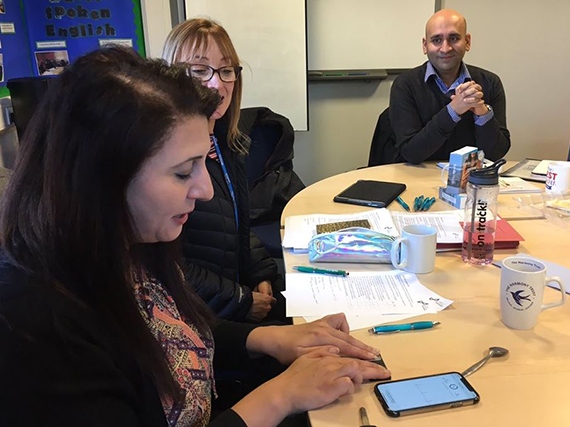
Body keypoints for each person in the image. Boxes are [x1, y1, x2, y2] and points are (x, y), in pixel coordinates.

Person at [0, 45, 390, 427]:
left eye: (204, 162)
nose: (204, 189)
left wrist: (271, 339)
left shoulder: (133, 243)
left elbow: (179, 333)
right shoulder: (35, 326)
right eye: (183, 172)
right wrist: (279, 396)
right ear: (102, 178)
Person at [162, 18, 287, 324]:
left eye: (226, 70)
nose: (217, 84)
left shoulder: (225, 145)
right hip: (203, 321)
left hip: (235, 302)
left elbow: (236, 224)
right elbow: (169, 266)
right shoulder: (163, 159)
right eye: (200, 70)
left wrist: (260, 272)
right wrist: (240, 300)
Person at [389, 9, 511, 164]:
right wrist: (453, 110)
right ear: (425, 45)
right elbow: (411, 153)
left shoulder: (490, 83)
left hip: (470, 181)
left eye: (453, 38)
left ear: (467, 42)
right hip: (419, 178)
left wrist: (482, 113)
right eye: (437, 40)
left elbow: (496, 153)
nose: (445, 48)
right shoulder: (405, 85)